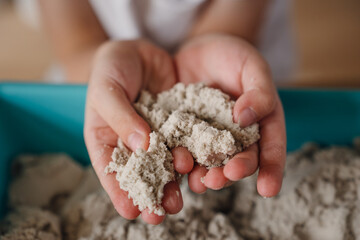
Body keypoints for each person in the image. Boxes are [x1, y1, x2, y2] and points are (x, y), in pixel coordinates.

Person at [38, 0, 287, 225]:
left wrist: (220, 35)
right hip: (104, 71)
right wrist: (98, 65)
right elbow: (74, 40)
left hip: (229, 66)